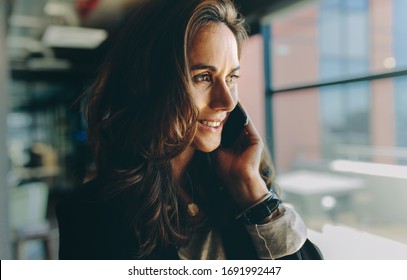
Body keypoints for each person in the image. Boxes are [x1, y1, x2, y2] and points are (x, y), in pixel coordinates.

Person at [56, 0, 321, 260]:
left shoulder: (243, 178)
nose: (227, 101)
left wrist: (254, 194)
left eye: (231, 78)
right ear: (148, 83)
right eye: (203, 77)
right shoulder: (90, 215)